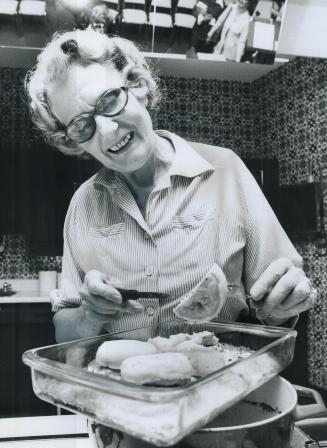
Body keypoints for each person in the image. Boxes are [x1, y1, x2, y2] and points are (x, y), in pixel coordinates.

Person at [25, 29, 316, 344]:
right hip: (123, 387)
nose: (107, 132)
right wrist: (90, 314)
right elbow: (64, 334)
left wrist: (288, 299)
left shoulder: (225, 170)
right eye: (82, 126)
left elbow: (277, 306)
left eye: (109, 101)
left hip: (220, 382)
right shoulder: (83, 204)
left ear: (137, 86)